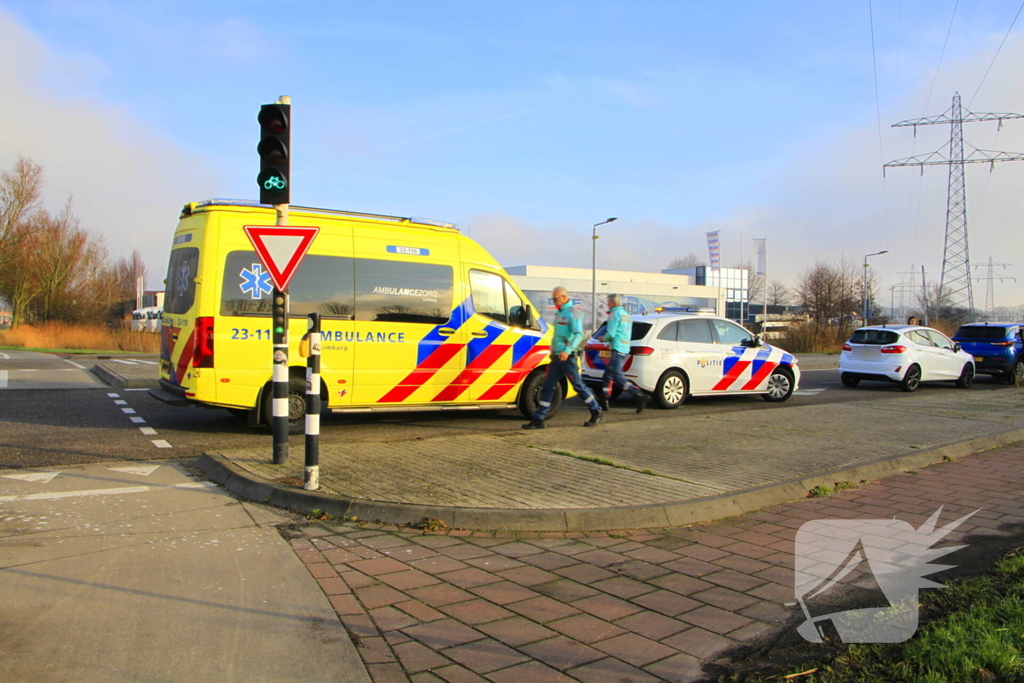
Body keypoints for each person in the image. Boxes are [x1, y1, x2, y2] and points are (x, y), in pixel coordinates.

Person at [523, 287, 605, 429]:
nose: (554, 302)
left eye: (556, 299)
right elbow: (558, 337)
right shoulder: (560, 313)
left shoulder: (573, 313)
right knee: (548, 386)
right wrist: (553, 352)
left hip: (568, 358)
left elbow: (579, 334)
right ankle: (539, 418)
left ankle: (596, 410)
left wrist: (567, 351)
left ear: (564, 297)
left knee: (578, 385)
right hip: (557, 358)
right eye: (553, 299)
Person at [599, 293, 651, 414]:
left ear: (613, 302)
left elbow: (611, 333)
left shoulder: (614, 314)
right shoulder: (626, 315)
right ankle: (604, 398)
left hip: (617, 348)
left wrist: (602, 338)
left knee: (618, 377)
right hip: (624, 348)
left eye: (608, 301)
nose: (607, 303)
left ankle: (639, 394)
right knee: (607, 375)